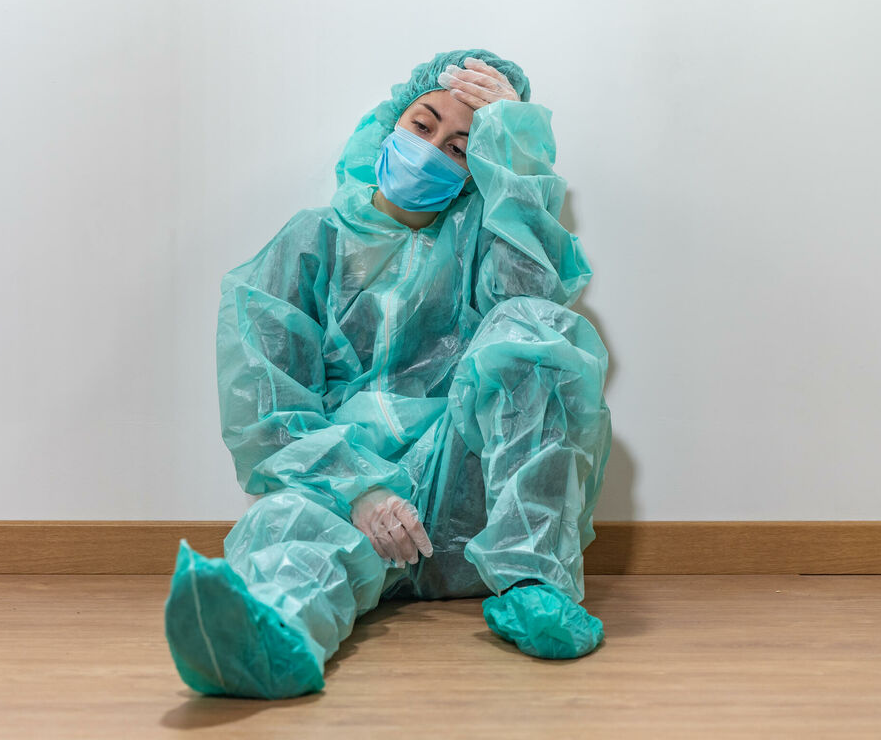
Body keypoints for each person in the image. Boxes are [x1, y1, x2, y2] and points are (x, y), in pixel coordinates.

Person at [164, 49, 612, 699]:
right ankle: (268, 636)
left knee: (536, 326)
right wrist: (360, 489)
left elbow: (538, 313)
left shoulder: (486, 245)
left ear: (478, 171)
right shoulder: (311, 243)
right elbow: (265, 399)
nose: (430, 151)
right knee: (293, 528)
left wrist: (515, 150)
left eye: (461, 148)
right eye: (422, 125)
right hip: (352, 504)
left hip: (466, 514)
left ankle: (533, 583)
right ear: (388, 123)